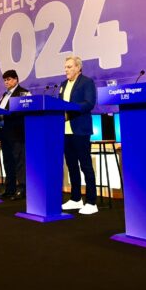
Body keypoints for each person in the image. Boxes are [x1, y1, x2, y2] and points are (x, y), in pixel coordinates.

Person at [59, 56, 98, 215]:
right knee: (71, 165)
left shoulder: (86, 82)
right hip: (65, 130)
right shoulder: (63, 84)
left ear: (78, 68)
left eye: (69, 67)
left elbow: (89, 103)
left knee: (85, 165)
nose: (66, 69)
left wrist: (69, 110)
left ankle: (91, 201)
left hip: (80, 129)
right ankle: (76, 198)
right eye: (65, 67)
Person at [0, 69, 31, 200]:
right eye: (5, 80)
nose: (7, 82)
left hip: (17, 132)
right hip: (5, 132)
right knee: (8, 161)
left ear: (16, 79)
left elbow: (26, 110)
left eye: (9, 79)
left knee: (20, 161)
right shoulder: (4, 95)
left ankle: (22, 189)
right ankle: (9, 188)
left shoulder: (24, 93)